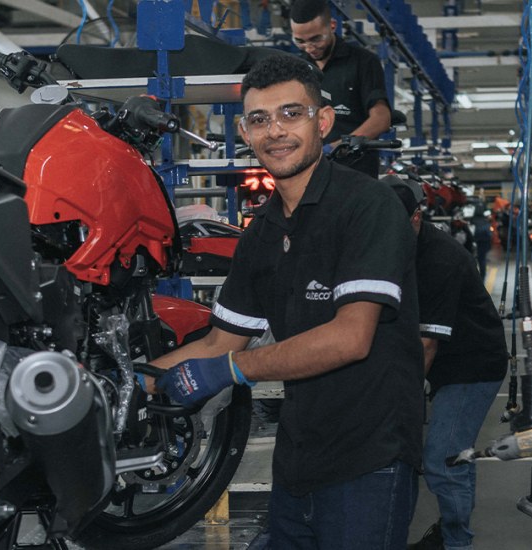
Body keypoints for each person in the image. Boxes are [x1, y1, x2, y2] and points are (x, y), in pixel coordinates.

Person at [153, 55, 425, 549]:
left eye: (290, 114)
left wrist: (235, 370)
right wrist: (133, 381)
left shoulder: (367, 206)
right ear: (244, 131)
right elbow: (218, 342)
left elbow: (351, 338)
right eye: (259, 119)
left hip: (370, 460)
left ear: (322, 120)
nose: (275, 130)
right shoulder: (263, 231)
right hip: (298, 462)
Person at [380, 176, 508, 550]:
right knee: (448, 456)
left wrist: (397, 400)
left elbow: (427, 345)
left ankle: (456, 542)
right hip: (442, 362)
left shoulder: (441, 259)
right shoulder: (391, 245)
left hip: (471, 367)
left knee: (443, 458)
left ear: (416, 218)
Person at [290, 0, 391, 178]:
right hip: (309, 172)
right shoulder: (296, 69)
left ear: (332, 26)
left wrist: (339, 146)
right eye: (300, 41)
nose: (309, 47)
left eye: (316, 39)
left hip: (356, 170)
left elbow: (381, 118)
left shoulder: (364, 62)